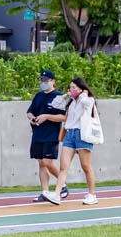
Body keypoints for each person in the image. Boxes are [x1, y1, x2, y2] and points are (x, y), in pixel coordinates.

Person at [42, 77, 99, 206]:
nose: (71, 90)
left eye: (74, 88)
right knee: (63, 166)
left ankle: (92, 194)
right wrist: (67, 95)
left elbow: (88, 105)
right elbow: (55, 104)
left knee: (85, 166)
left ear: (81, 88)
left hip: (82, 134)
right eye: (70, 87)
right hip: (69, 133)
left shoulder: (88, 99)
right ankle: (57, 194)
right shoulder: (71, 102)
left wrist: (83, 94)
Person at [26, 70, 68, 202]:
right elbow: (29, 112)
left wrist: (47, 117)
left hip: (51, 134)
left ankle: (63, 184)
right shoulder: (38, 96)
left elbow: (63, 117)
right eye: (42, 80)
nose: (43, 83)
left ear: (53, 81)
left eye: (46, 80)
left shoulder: (59, 97)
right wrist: (32, 118)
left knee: (47, 161)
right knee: (41, 163)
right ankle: (45, 191)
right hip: (38, 133)